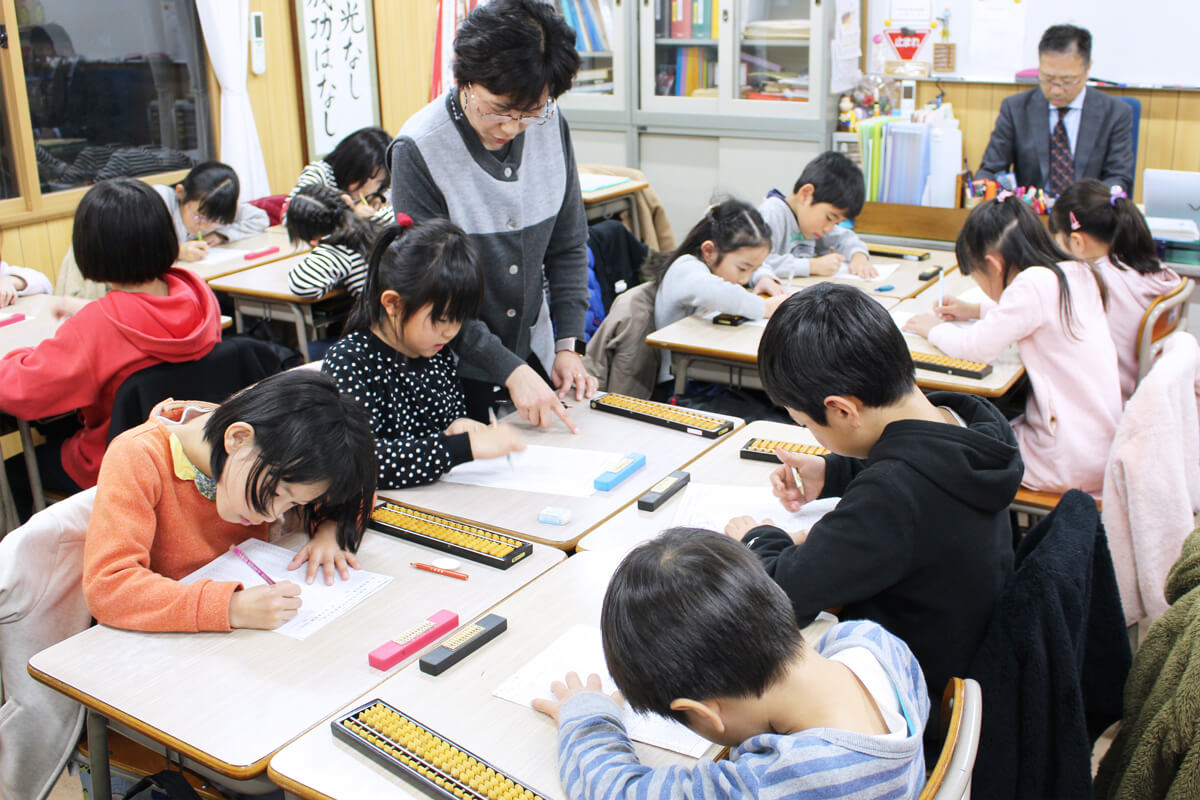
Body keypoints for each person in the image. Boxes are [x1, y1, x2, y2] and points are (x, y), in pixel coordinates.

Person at [733, 283, 1022, 750]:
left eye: (806, 424)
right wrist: (835, 471)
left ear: (842, 410)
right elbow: (918, 458)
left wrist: (758, 537)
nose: (809, 434)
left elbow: (782, 597)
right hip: (967, 659)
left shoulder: (894, 496)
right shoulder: (974, 424)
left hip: (907, 702)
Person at [532, 528, 930, 800]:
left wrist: (587, 717)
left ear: (704, 711)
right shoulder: (874, 643)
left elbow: (618, 792)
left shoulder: (775, 780)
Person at [389, 0, 597, 433]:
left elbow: (569, 246)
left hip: (533, 357)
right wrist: (507, 368)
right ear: (464, 79)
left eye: (528, 114)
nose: (510, 127)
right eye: (497, 109)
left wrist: (568, 345)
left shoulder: (551, 124)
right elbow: (430, 293)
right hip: (449, 370)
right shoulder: (420, 149)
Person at [82, 370, 378, 633]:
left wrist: (331, 528)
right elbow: (109, 588)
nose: (271, 516)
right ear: (236, 439)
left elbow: (355, 488)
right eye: (275, 494)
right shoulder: (139, 457)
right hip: (160, 647)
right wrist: (229, 607)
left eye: (291, 504)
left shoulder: (262, 446)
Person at [0, 177, 221, 507]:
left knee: (13, 470)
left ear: (90, 248)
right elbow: (141, 319)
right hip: (195, 453)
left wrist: (17, 354)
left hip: (118, 463)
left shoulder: (98, 326)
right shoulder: (199, 296)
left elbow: (19, 390)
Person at [905, 194, 1121, 495]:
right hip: (1099, 447)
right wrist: (976, 310)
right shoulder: (1075, 272)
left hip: (1065, 459)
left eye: (977, 275)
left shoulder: (1031, 285)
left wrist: (933, 329)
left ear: (992, 265)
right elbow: (1037, 317)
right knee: (988, 424)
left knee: (954, 443)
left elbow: (974, 348)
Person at [322, 218, 524, 488]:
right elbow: (360, 462)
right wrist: (459, 447)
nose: (451, 331)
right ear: (393, 304)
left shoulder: (432, 351)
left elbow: (445, 427)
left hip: (440, 496)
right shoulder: (351, 362)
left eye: (460, 318)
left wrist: (459, 426)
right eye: (441, 318)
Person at [1049, 178, 1182, 402]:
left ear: (1077, 242)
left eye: (1059, 244)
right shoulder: (1152, 270)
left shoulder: (1093, 281)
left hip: (1105, 401)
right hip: (1141, 396)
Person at [976, 24, 1134, 195]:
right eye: (1048, 78)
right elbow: (992, 169)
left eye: (1068, 81)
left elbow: (1119, 177)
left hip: (1090, 215)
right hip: (1032, 216)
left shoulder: (1115, 113)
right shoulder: (1015, 109)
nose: (1056, 90)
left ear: (1088, 69)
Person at [653, 199, 785, 383]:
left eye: (752, 270)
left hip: (710, 369)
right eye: (742, 268)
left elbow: (757, 264)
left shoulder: (717, 266)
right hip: (682, 380)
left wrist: (762, 277)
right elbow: (718, 293)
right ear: (709, 251)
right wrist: (765, 307)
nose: (745, 279)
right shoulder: (685, 268)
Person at [756, 151, 878, 280]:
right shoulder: (772, 213)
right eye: (830, 218)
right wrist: (812, 266)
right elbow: (756, 262)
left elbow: (845, 238)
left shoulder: (811, 225)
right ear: (806, 194)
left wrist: (859, 257)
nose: (828, 229)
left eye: (836, 223)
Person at [153, 161, 269, 262]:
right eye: (199, 217)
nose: (204, 227)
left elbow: (260, 218)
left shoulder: (218, 209)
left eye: (214, 221)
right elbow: (136, 249)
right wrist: (176, 252)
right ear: (181, 192)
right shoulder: (158, 200)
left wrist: (221, 234)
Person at [286, 183, 386, 299]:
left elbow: (301, 285)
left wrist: (322, 247)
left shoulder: (337, 251)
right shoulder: (381, 219)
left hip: (384, 316)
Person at [286, 126, 394, 223]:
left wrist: (378, 197)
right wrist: (350, 214)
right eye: (362, 176)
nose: (367, 187)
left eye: (377, 181)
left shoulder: (376, 191)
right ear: (349, 165)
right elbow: (289, 216)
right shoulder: (320, 173)